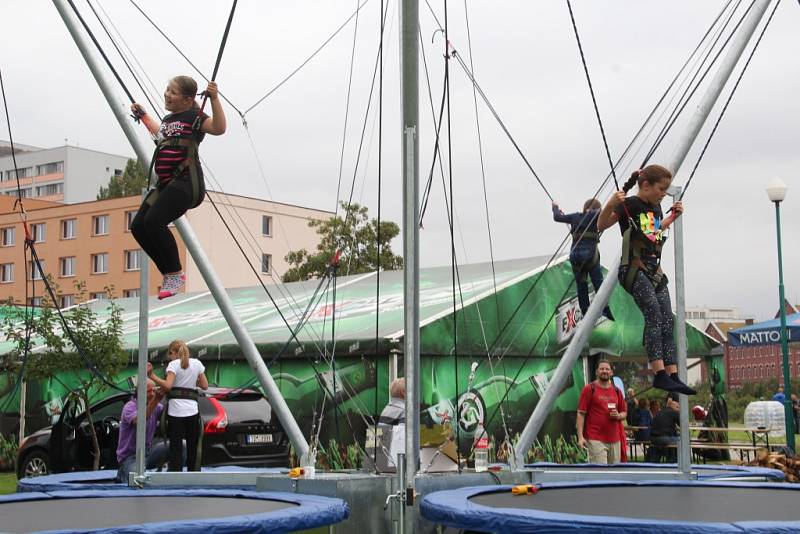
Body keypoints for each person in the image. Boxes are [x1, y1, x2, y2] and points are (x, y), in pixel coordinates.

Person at [597, 165, 695, 396]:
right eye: (661, 189)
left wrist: (671, 216)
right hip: (633, 268)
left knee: (667, 320)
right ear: (646, 185)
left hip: (654, 269)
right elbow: (600, 225)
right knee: (653, 312)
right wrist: (612, 202)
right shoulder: (628, 205)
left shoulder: (657, 207)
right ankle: (659, 373)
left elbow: (653, 233)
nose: (664, 193)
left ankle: (672, 374)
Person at [130, 76, 227, 300]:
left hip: (186, 183)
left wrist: (214, 98)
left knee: (154, 221)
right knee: (138, 227)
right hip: (167, 185)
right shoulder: (168, 119)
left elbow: (219, 128)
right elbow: (161, 134)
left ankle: (174, 273)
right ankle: (169, 274)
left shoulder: (195, 117)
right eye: (167, 89)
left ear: (187, 99)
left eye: (173, 92)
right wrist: (143, 116)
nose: (166, 94)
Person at [148, 340, 208, 472]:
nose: (169, 356)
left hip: (176, 411)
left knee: (176, 446)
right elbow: (204, 385)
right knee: (193, 445)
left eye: (170, 353)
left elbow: (168, 386)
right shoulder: (197, 363)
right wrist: (189, 383)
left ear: (173, 352)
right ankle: (194, 474)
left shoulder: (173, 365)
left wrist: (152, 376)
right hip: (192, 410)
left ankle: (176, 474)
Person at [552, 199, 614, 321]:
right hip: (589, 254)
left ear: (584, 208)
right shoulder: (596, 215)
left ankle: (585, 312)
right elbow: (605, 212)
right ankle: (605, 310)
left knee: (581, 285)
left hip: (575, 256)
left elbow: (557, 217)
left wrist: (555, 207)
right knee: (598, 283)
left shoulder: (575, 216)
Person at [116, 372, 168, 482]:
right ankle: (123, 473)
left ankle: (173, 478)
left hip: (148, 453)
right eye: (149, 391)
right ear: (139, 393)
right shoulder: (130, 407)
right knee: (136, 479)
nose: (152, 394)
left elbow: (167, 414)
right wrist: (156, 400)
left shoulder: (157, 407)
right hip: (130, 458)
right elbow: (139, 422)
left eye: (154, 391)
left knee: (182, 445)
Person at [576, 360, 627, 464]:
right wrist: (580, 437)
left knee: (614, 474)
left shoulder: (617, 391)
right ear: (596, 372)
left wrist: (618, 416)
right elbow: (581, 413)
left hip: (615, 439)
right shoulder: (589, 389)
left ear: (611, 372)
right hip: (595, 439)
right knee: (600, 474)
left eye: (607, 369)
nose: (605, 371)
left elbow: (624, 413)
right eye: (602, 369)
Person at [378, 378, 406, 466]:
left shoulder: (386, 409)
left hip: (383, 460)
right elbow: (402, 441)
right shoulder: (404, 411)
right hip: (397, 463)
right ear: (404, 392)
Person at [649, 394, 680, 463]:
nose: (679, 409)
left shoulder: (661, 411)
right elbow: (682, 425)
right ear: (673, 407)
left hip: (653, 438)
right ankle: (673, 462)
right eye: (678, 407)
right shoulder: (674, 412)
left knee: (669, 439)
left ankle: (655, 461)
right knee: (682, 441)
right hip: (663, 439)